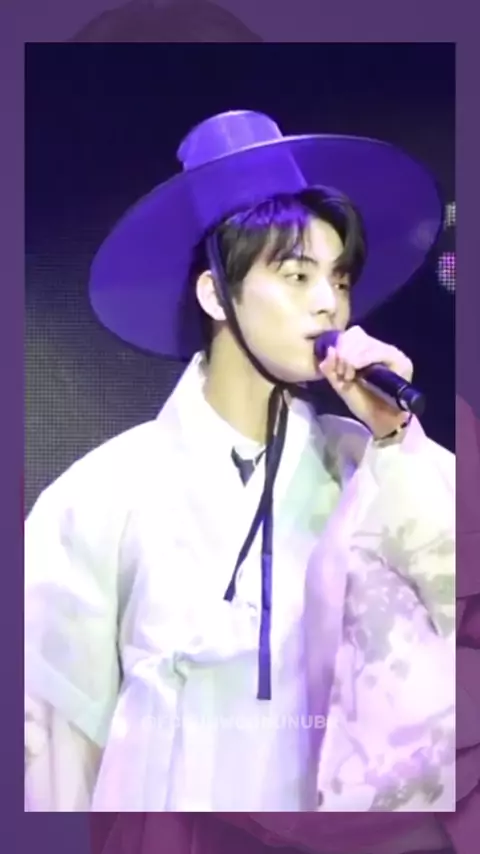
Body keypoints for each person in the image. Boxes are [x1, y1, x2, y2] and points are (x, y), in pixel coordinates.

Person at [24, 109, 455, 812]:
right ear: (215, 294)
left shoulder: (368, 467)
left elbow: (457, 605)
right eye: (297, 275)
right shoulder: (100, 495)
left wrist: (394, 440)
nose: (329, 305)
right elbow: (56, 753)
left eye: (340, 279)